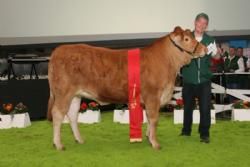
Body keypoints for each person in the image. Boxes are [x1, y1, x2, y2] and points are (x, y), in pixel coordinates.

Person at [180, 13, 217, 143]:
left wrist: (215, 52)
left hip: (204, 80)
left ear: (206, 26)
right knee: (188, 107)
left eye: (204, 24)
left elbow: (217, 58)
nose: (201, 25)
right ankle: (186, 130)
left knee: (205, 108)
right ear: (195, 22)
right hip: (189, 79)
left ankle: (204, 134)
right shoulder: (186, 38)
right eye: (199, 22)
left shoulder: (210, 40)